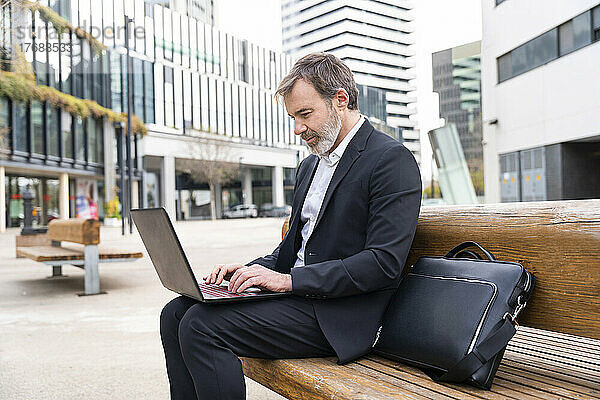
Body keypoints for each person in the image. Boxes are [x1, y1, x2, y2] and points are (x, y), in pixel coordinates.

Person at [160, 53, 422, 400]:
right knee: (175, 312)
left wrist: (289, 281)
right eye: (293, 117)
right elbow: (294, 250)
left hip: (342, 315)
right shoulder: (310, 167)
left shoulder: (390, 160)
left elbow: (383, 264)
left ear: (340, 100)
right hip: (300, 299)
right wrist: (250, 271)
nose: (297, 129)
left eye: (304, 114)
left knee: (201, 327)